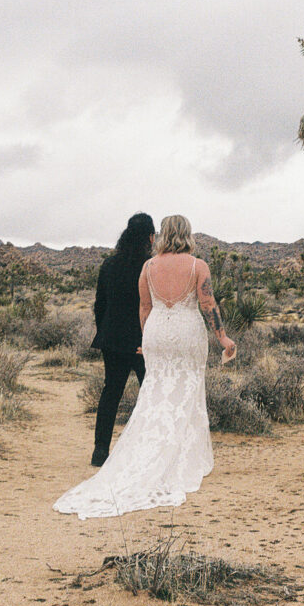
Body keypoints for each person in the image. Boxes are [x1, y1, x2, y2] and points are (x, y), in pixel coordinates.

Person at [54, 215, 236, 520]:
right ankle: (181, 457)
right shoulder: (197, 266)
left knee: (144, 395)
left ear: (161, 235)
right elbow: (208, 305)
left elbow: (141, 307)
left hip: (147, 337)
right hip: (180, 336)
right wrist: (222, 336)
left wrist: (140, 338)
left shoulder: (144, 267)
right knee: (184, 392)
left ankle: (113, 450)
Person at [89, 212, 156, 467]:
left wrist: (104, 332)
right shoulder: (150, 267)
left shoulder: (109, 265)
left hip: (112, 339)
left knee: (110, 393)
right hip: (142, 341)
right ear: (149, 237)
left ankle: (100, 451)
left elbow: (100, 305)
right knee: (149, 394)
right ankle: (150, 450)